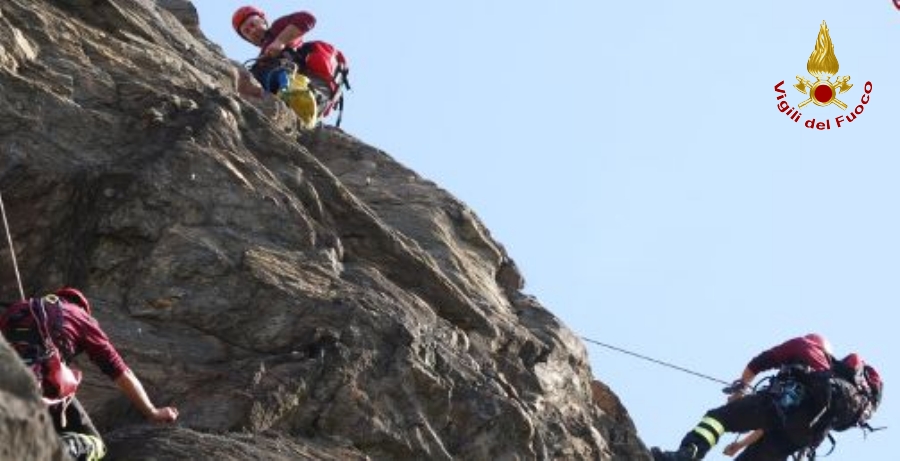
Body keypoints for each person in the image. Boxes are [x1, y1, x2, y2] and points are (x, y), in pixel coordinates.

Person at [0, 288, 179, 460]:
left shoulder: (15, 310)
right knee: (95, 444)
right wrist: (152, 411)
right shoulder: (80, 316)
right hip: (43, 385)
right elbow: (120, 371)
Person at [651, 333, 883, 461]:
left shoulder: (804, 345)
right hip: (804, 436)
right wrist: (741, 444)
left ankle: (690, 453)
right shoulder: (834, 380)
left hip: (779, 407)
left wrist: (741, 389)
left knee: (717, 419)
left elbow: (760, 362)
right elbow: (778, 423)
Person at [231, 6, 324, 129]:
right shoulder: (261, 58)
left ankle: (289, 96)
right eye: (247, 32)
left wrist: (280, 41)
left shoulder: (278, 29)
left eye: (253, 24)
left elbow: (307, 18)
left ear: (263, 21)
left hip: (291, 78)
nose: (252, 31)